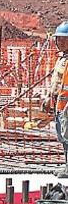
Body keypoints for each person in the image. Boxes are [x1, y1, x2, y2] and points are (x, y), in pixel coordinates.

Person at [43, 21, 68, 177]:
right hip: (60, 107)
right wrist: (48, 99)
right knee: (63, 138)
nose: (60, 43)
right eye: (59, 39)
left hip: (66, 107)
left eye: (64, 39)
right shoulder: (62, 59)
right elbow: (57, 84)